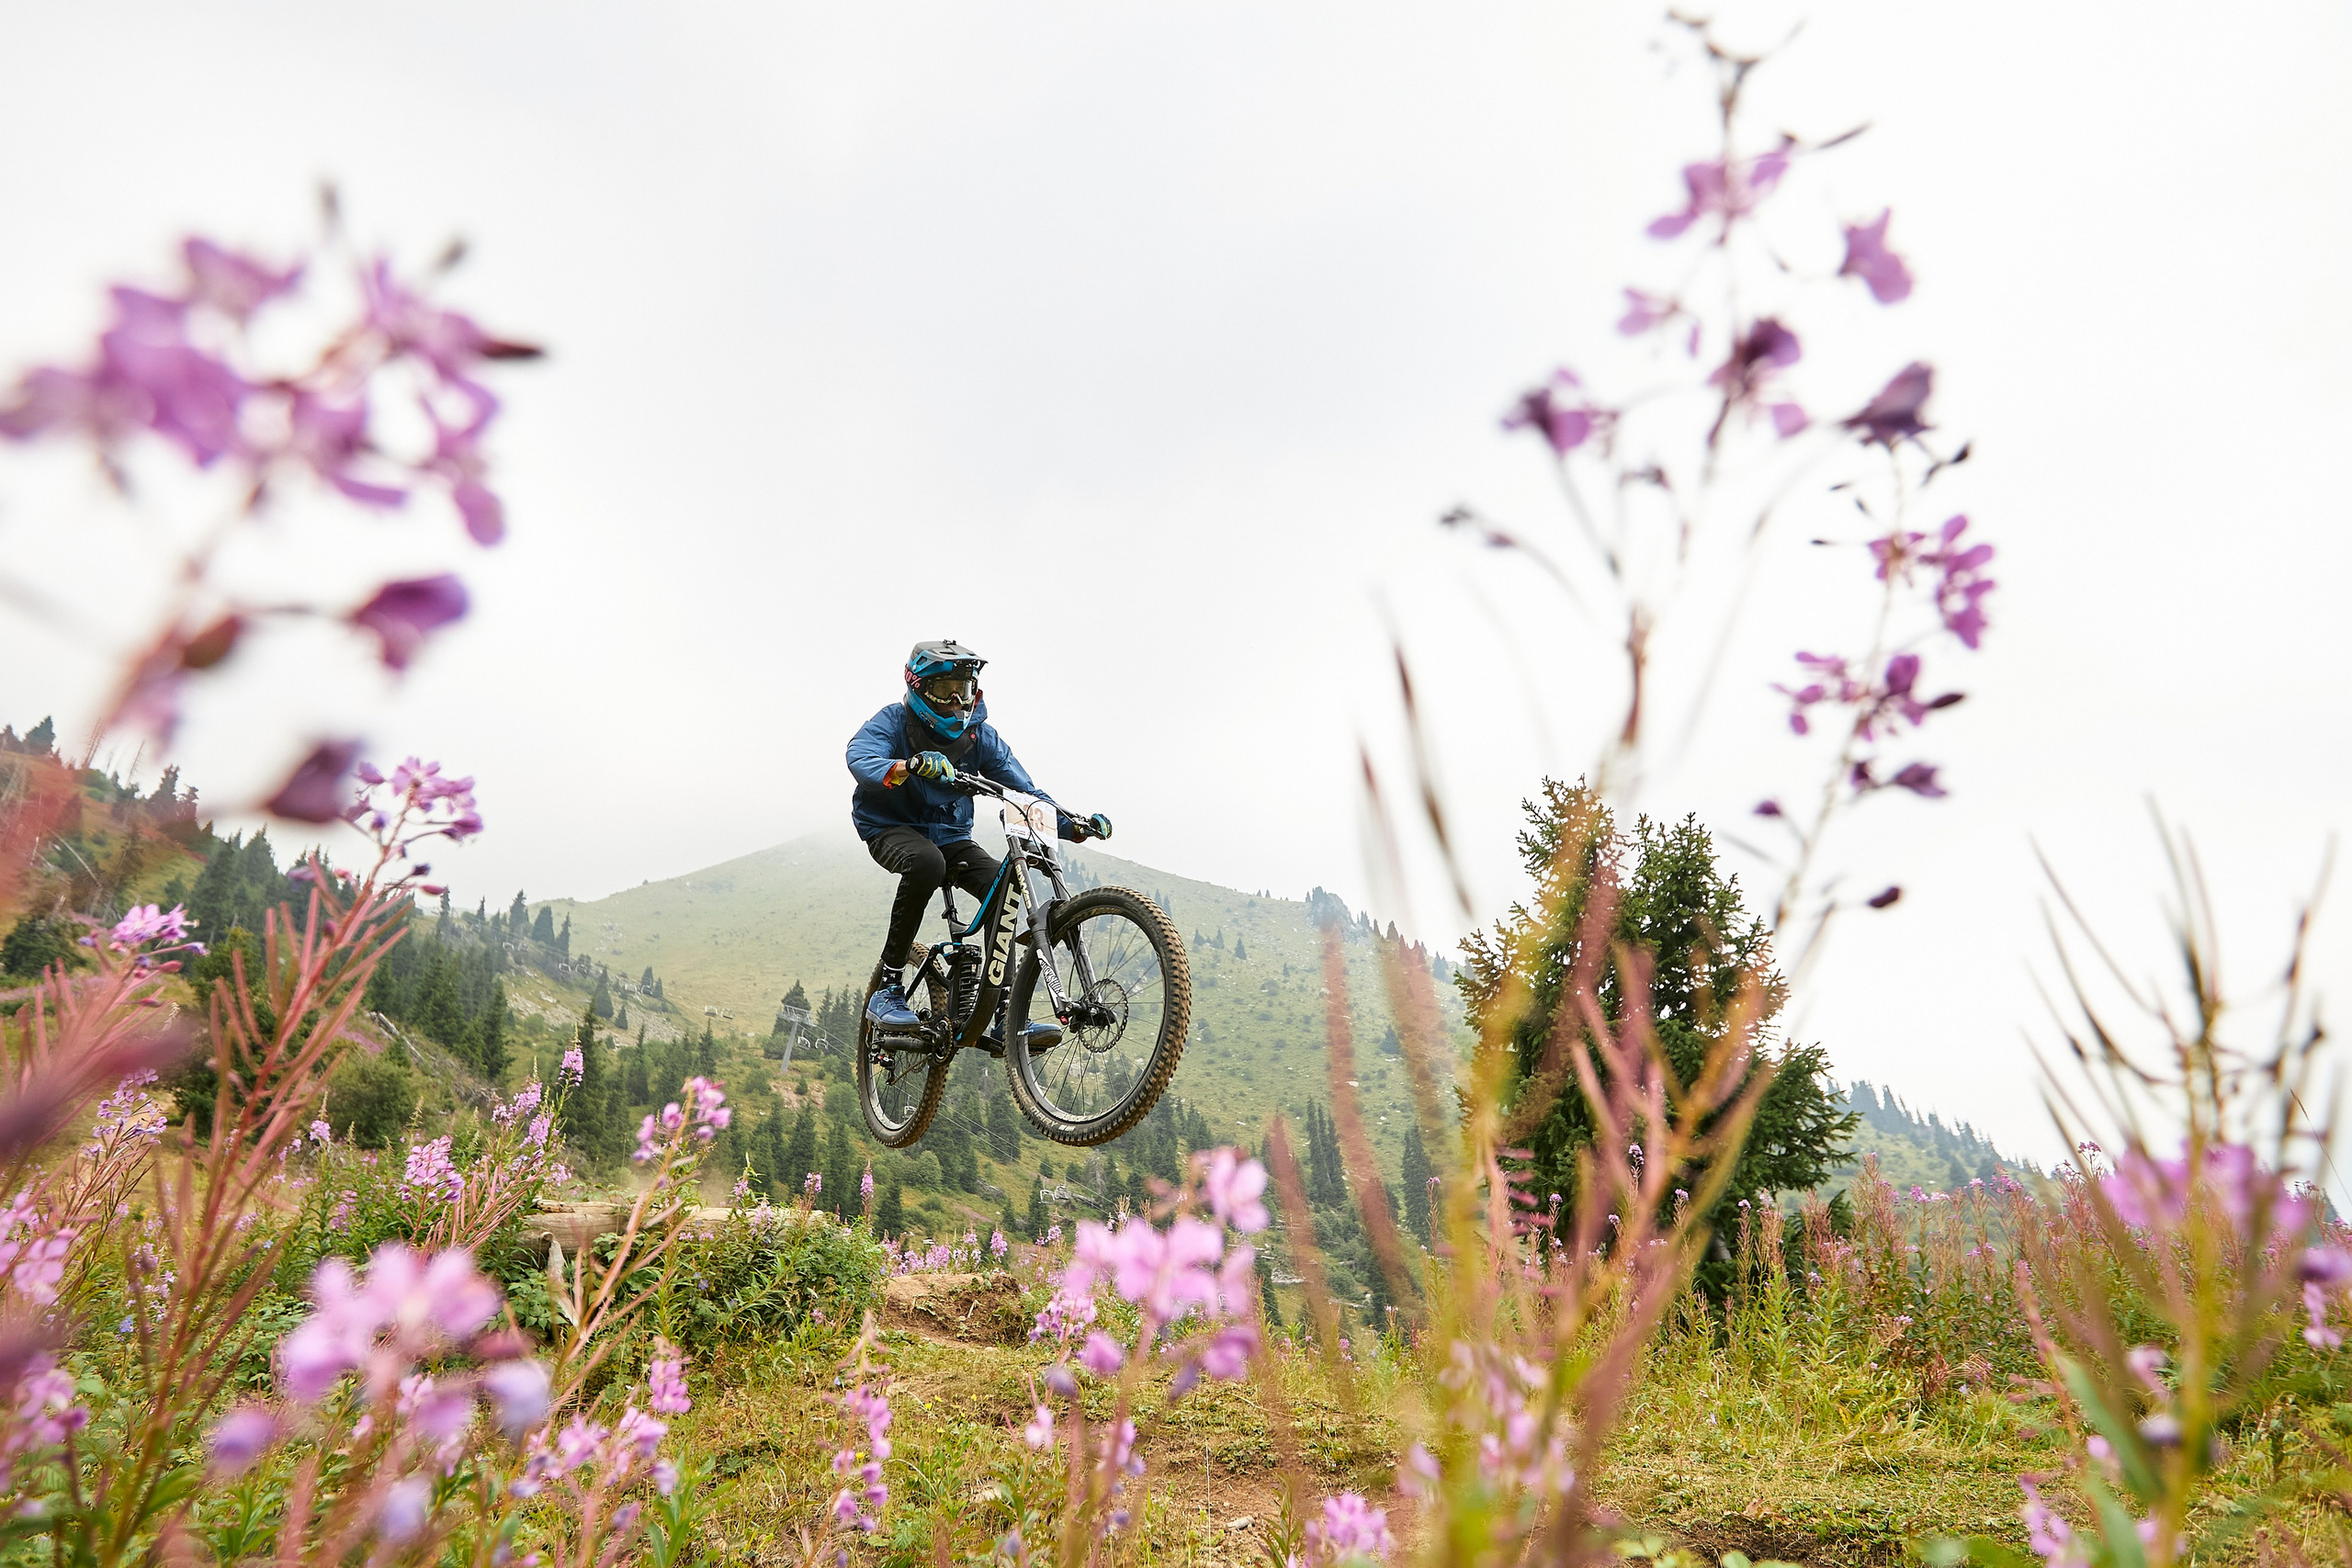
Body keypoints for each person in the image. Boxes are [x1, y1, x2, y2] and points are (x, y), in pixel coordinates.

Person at [846, 639, 1112, 1033]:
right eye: (944, 690)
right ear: (919, 688)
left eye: (964, 689)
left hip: (950, 834)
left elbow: (1025, 793)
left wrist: (1072, 825)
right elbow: (860, 757)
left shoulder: (980, 737)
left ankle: (1005, 1013)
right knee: (927, 863)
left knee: (1003, 885)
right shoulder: (894, 720)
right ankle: (888, 987)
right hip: (889, 827)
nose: (956, 700)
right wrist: (908, 766)